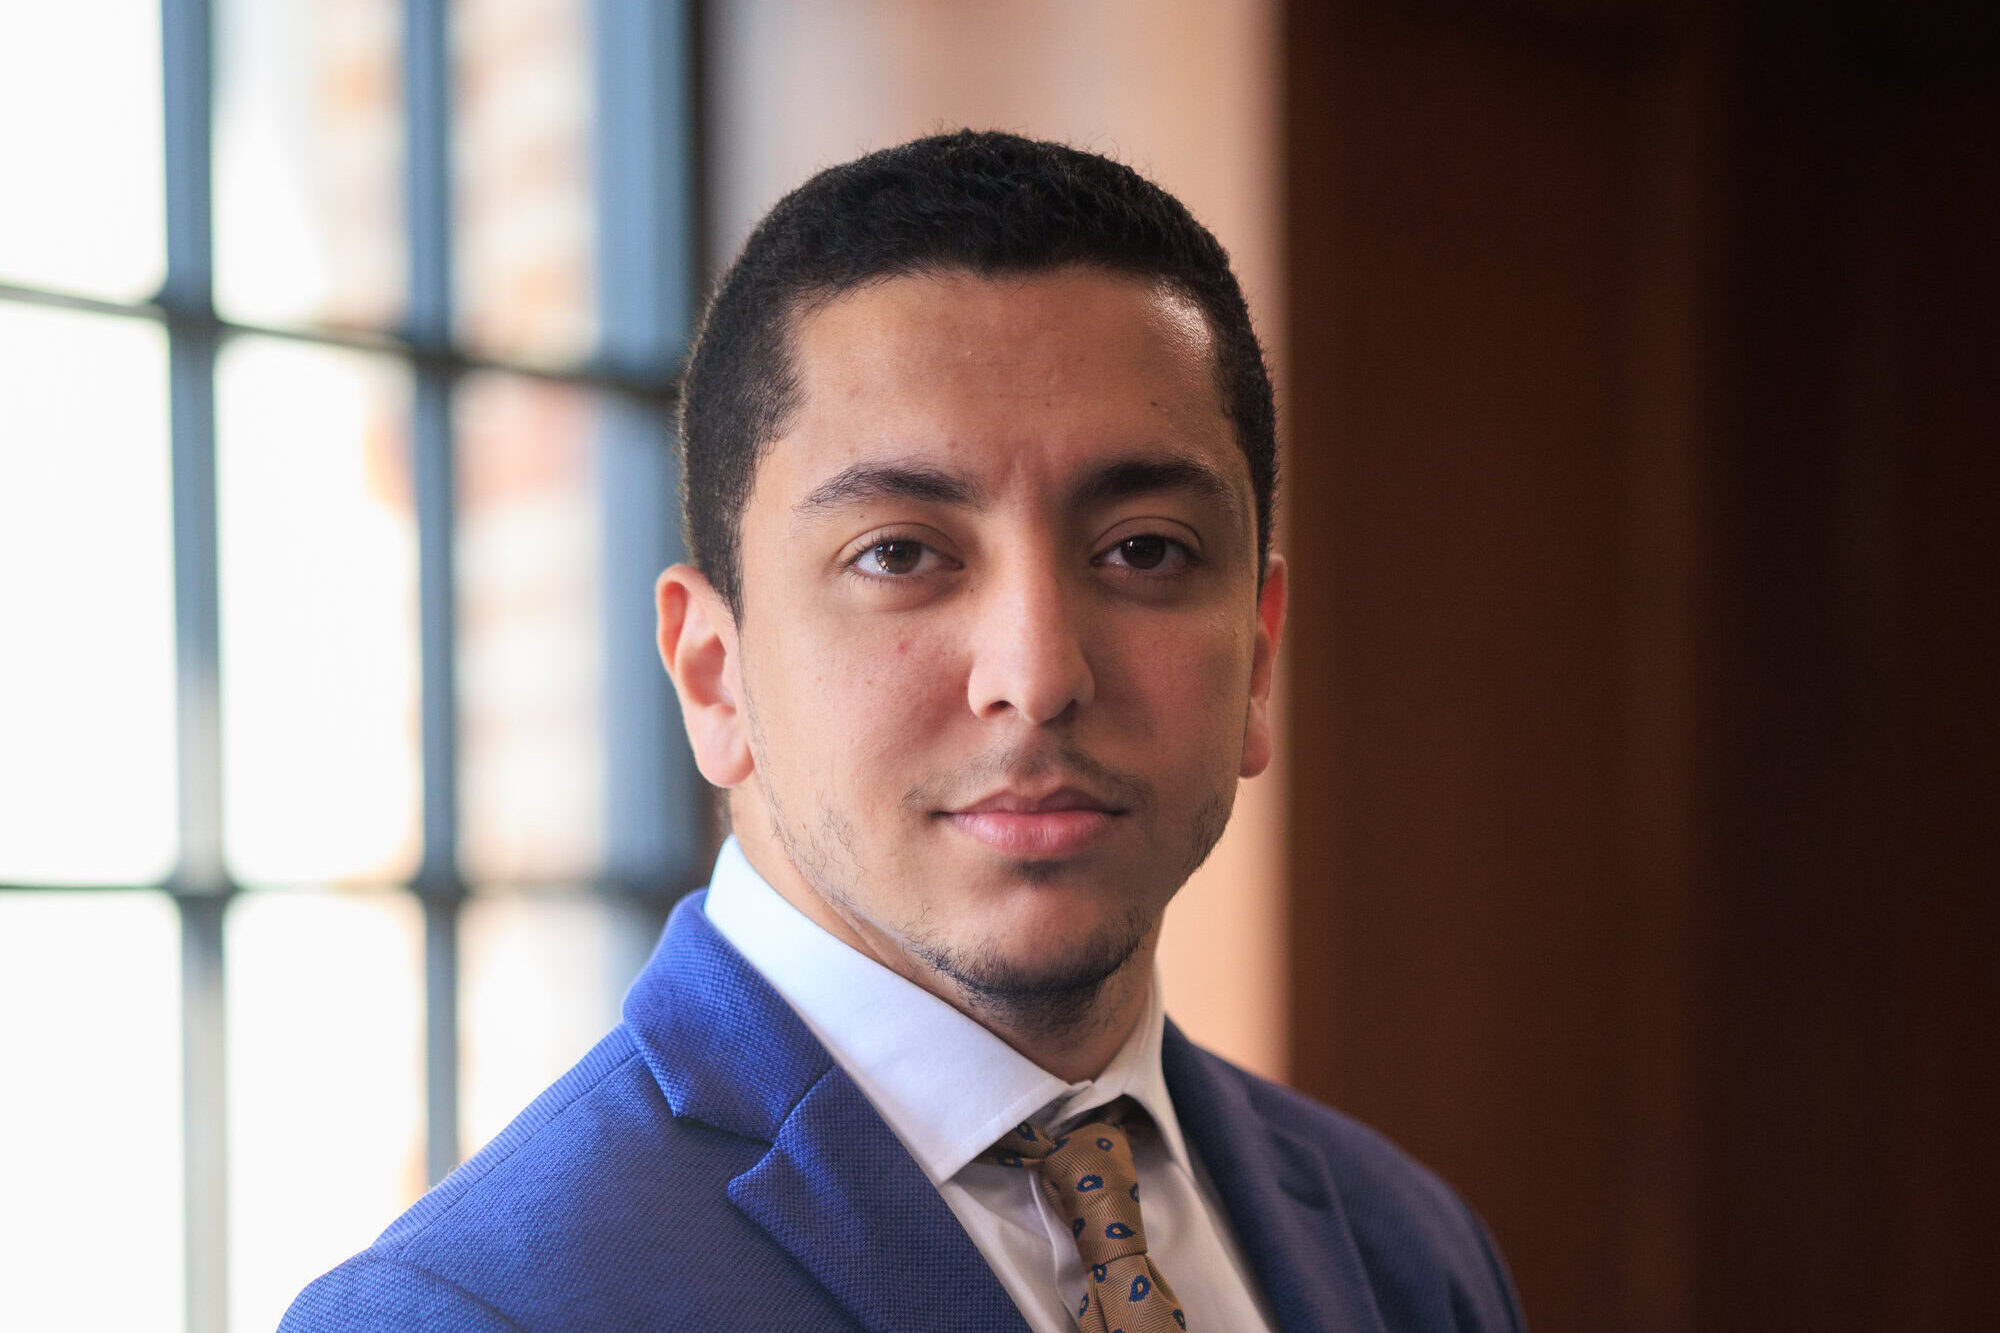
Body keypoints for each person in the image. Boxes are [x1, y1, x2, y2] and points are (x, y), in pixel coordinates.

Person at [282, 130, 1523, 1333]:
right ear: (714, 676)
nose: (1035, 674)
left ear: (1255, 656)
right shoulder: (464, 1313)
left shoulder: (1405, 1247)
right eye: (898, 554)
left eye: (1143, 549)